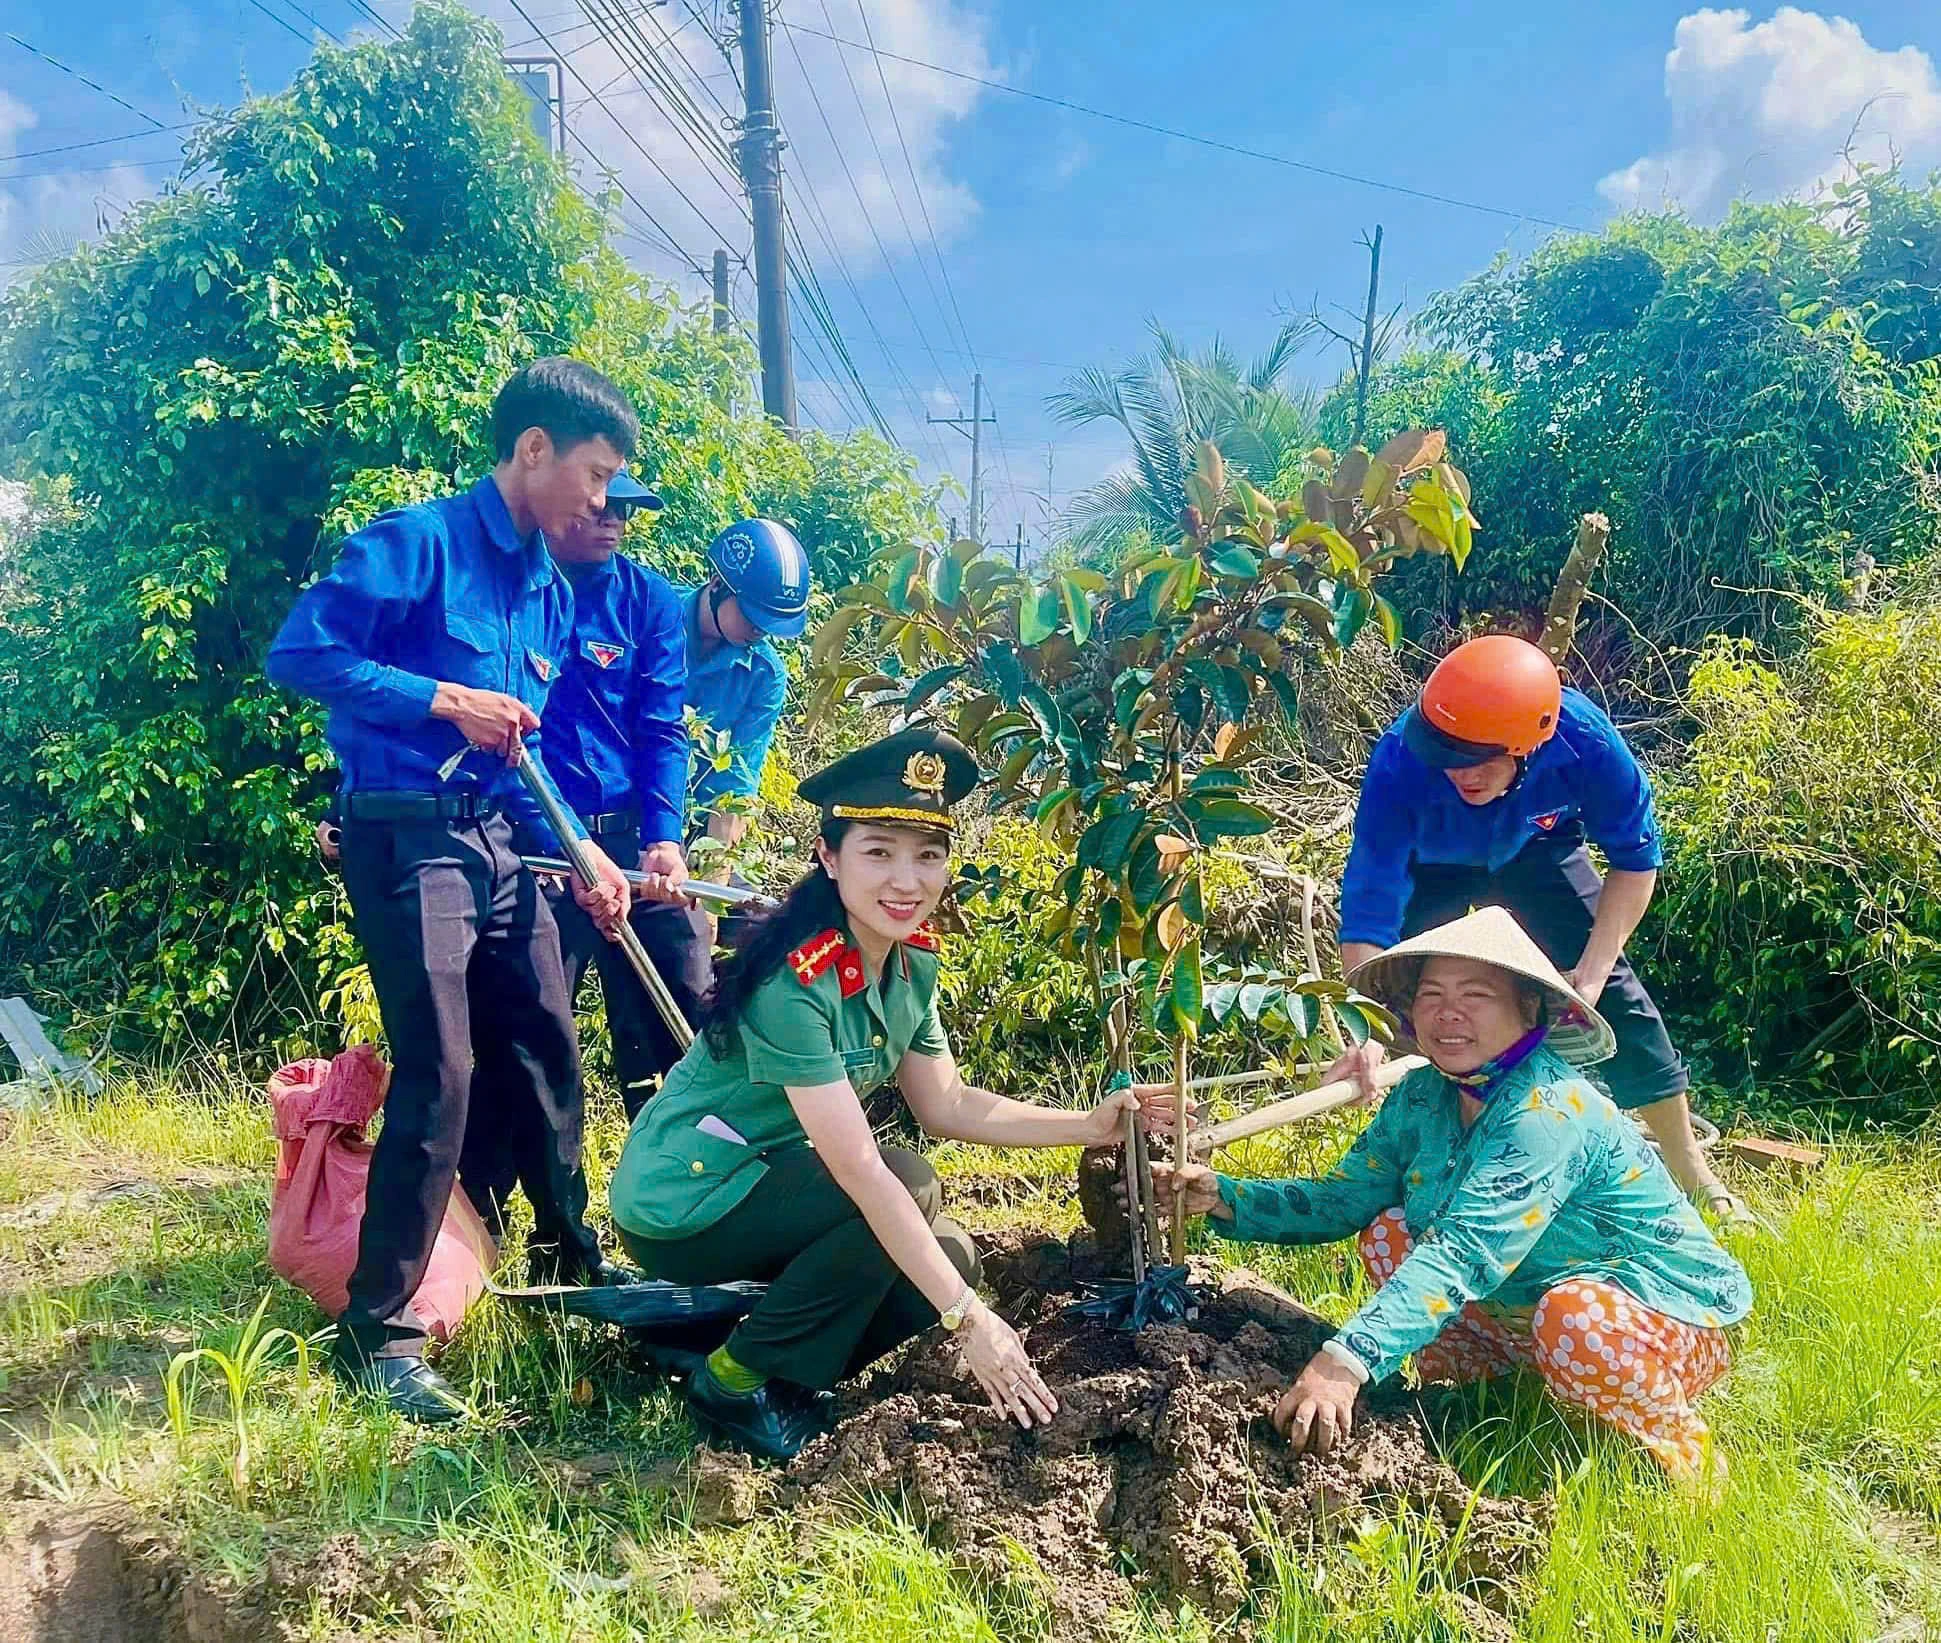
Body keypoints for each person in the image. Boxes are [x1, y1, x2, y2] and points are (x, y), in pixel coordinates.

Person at [606, 725, 1158, 1460]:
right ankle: (731, 1381)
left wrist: (1091, 1125)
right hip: (682, 1200)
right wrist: (971, 1323)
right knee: (907, 1185)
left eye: (927, 855)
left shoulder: (906, 964)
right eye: (878, 852)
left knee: (952, 1254)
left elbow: (947, 1103)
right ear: (828, 857)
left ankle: (767, 1361)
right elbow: (861, 1169)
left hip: (767, 1181)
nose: (908, 881)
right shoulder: (793, 982)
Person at [267, 357, 639, 1422]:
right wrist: (441, 698)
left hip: (499, 838)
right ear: (534, 450)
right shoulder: (414, 543)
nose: (603, 498)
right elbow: (300, 653)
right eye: (597, 473)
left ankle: (572, 1255)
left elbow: (526, 756)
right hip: (406, 835)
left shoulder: (547, 590)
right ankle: (376, 1332)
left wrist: (584, 851)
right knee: (442, 1067)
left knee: (548, 1036)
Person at [1156, 906, 1753, 1485]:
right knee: (1390, 1231)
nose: (1448, 1014)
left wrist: (1344, 1361)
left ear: (1529, 1010)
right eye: (1432, 995)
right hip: (1527, 1302)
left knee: (1572, 1319)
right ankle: (1480, 1398)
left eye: (1476, 996)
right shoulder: (1424, 1096)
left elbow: (1464, 1250)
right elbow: (1342, 1200)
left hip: (1660, 1316)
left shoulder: (1548, 1113)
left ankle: (1685, 1459)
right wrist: (1221, 1196)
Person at [1332, 634, 1744, 1221]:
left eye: (1476, 759)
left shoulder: (1587, 742)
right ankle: (1423, 1163)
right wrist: (1366, 1023)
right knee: (1410, 1002)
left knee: (1618, 1001)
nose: (1458, 774)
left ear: (1530, 744)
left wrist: (1594, 973)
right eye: (1446, 757)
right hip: (1431, 866)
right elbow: (1371, 902)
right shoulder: (1403, 759)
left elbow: (1635, 860)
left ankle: (1691, 1170)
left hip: (1536, 847)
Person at [681, 518, 810, 850]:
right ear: (717, 583)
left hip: (696, 826)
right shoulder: (651, 616)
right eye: (752, 616)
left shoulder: (764, 675)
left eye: (769, 623)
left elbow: (735, 782)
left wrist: (712, 880)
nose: (759, 631)